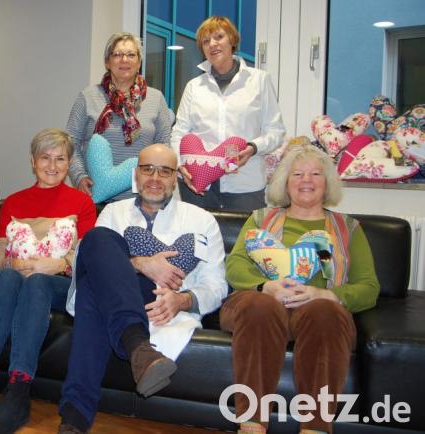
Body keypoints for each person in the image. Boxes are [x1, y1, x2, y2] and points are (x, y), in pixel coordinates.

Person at [57, 144, 227, 434]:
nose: (155, 177)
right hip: (117, 296)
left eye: (165, 171)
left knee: (92, 290)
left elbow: (217, 284)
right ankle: (138, 347)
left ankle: (74, 418)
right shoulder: (113, 211)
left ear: (176, 178)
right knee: (97, 240)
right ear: (136, 174)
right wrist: (140, 264)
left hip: (162, 302)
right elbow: (90, 259)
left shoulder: (202, 220)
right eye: (148, 168)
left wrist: (183, 300)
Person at [223, 144, 380, 433]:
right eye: (297, 173)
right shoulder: (260, 219)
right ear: (285, 182)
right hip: (258, 303)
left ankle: (315, 427)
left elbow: (369, 288)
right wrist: (266, 286)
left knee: (324, 312)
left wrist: (326, 294)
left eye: (315, 174)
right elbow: (234, 267)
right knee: (261, 306)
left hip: (316, 313)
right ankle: (251, 424)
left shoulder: (349, 228)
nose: (306, 180)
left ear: (327, 182)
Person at [0, 128, 97, 434]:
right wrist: (11, 261)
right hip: (20, 277)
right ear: (32, 161)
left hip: (62, 283)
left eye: (60, 159)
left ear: (69, 162)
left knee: (37, 282)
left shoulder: (83, 203)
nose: (52, 165)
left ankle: (19, 392)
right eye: (45, 157)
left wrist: (58, 264)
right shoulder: (15, 201)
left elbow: (88, 256)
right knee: (7, 276)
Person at [171, 16, 285, 212]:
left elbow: (276, 131)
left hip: (244, 183)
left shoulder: (259, 80)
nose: (212, 44)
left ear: (232, 40)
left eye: (219, 37)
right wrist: (180, 164)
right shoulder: (194, 87)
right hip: (198, 185)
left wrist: (252, 147)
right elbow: (179, 132)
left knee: (244, 241)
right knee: (199, 241)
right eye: (205, 41)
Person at [66, 32, 174, 201]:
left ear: (139, 62)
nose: (124, 60)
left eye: (131, 54)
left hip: (144, 198)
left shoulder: (156, 98)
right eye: (117, 54)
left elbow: (164, 144)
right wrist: (79, 176)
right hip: (97, 197)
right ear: (107, 62)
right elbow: (70, 142)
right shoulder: (88, 96)